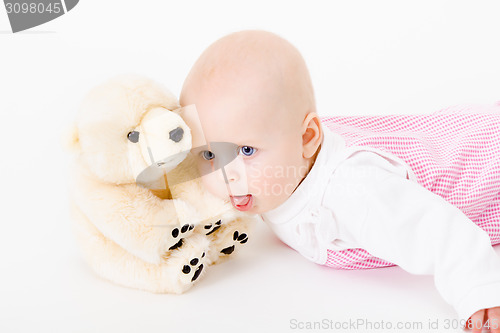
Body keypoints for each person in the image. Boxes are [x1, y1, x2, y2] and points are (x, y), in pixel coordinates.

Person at [179, 29, 500, 332]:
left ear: (307, 137)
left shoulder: (350, 192)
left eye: (246, 150)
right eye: (209, 155)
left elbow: (435, 228)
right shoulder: (277, 152)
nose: (227, 175)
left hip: (484, 166)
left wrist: (480, 292)